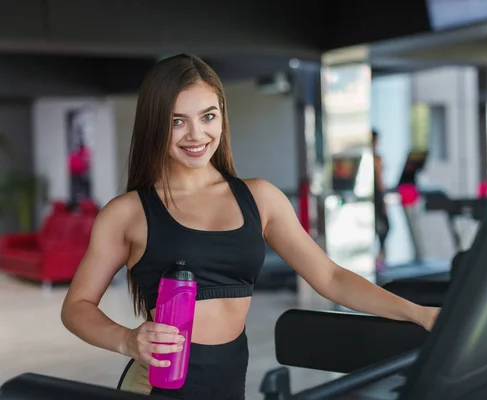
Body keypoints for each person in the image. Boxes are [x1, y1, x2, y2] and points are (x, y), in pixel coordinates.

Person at [60, 54, 440, 400]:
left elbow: (331, 277)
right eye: (178, 121)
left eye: (208, 116)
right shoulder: (128, 213)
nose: (196, 135)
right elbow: (76, 307)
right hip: (156, 386)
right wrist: (127, 340)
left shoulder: (259, 198)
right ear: (155, 125)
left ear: (222, 116)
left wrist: (418, 313)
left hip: (228, 384)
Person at [372, 130, 390, 269]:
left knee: (381, 228)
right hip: (376, 197)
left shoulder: (372, 157)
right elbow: (380, 181)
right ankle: (379, 258)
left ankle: (379, 257)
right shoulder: (375, 159)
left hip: (374, 197)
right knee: (384, 227)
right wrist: (384, 198)